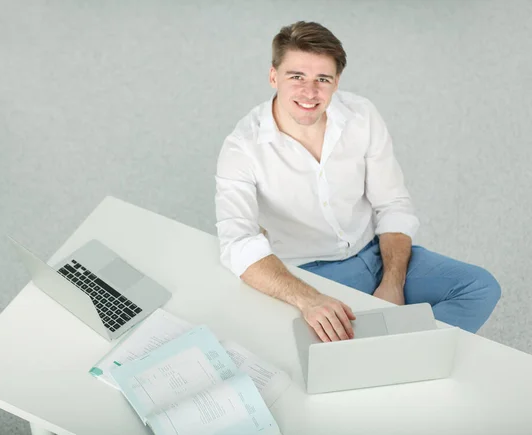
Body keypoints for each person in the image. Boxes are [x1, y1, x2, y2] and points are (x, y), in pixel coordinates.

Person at [214, 21, 502, 342]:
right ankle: (401, 350)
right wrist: (309, 299)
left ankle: (398, 355)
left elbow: (392, 204)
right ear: (273, 77)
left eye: (322, 79)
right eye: (296, 77)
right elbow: (237, 243)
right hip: (307, 275)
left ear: (336, 82)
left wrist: (392, 282)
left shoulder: (360, 115)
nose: (309, 92)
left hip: (377, 254)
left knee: (479, 287)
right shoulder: (242, 146)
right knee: (295, 344)